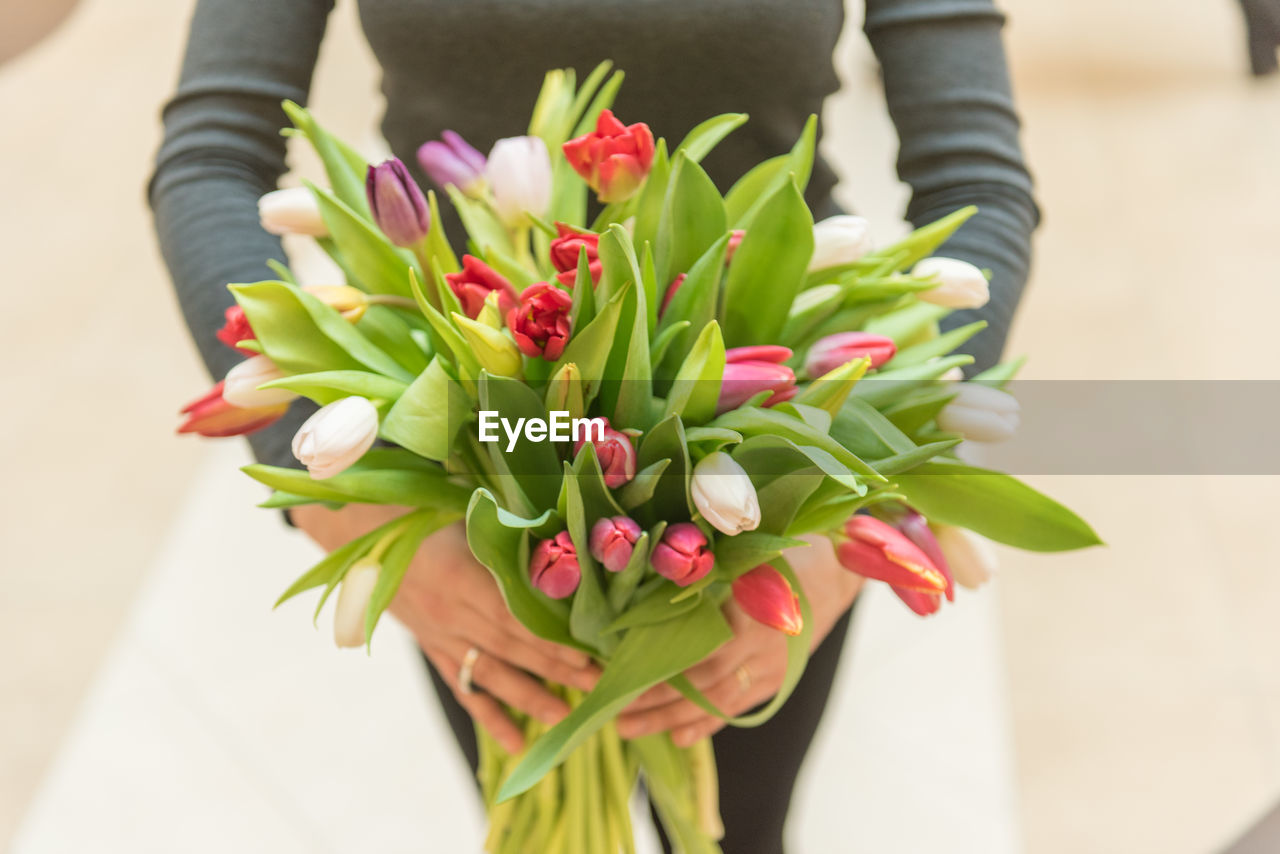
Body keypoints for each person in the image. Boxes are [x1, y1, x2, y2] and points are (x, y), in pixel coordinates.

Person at [150, 1, 1038, 851]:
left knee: (739, 828)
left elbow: (976, 183)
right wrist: (348, 510)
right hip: (480, 457)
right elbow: (212, 157)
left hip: (771, 448)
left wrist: (847, 521)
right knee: (536, 815)